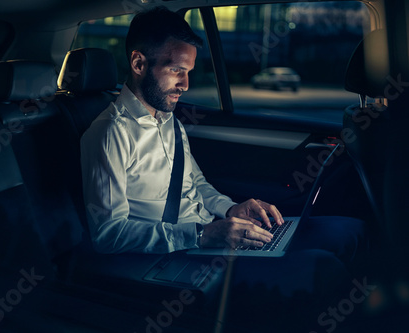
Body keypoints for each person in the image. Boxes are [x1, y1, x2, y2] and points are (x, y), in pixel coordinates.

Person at [80, 7, 366, 301]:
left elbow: (197, 185)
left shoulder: (168, 121)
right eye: (176, 70)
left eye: (189, 72)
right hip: (176, 257)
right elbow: (108, 235)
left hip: (210, 238)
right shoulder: (110, 133)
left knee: (350, 231)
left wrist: (231, 210)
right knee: (323, 269)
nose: (186, 85)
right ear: (139, 63)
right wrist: (203, 235)